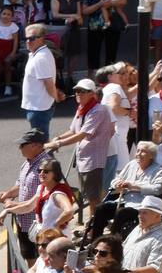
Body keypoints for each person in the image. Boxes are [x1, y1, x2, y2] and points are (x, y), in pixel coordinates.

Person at [45, 78, 115, 216]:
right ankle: (92, 222)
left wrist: (58, 144)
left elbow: (82, 134)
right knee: (88, 195)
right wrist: (58, 138)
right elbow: (73, 131)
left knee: (93, 197)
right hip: (83, 158)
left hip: (93, 160)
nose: (78, 94)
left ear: (91, 94)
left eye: (82, 91)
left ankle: (94, 225)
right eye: (76, 91)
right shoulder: (82, 109)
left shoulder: (98, 110)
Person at [20, 24, 63, 136]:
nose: (28, 41)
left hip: (39, 109)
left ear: (42, 38)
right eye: (26, 38)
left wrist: (56, 97)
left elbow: (48, 83)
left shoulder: (40, 58)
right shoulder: (37, 54)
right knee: (41, 142)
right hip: (37, 107)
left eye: (32, 38)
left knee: (40, 144)